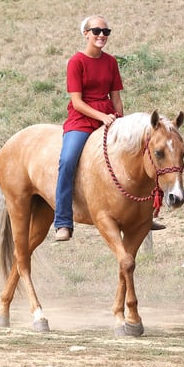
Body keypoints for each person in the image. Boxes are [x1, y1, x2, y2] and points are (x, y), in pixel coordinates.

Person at [53, 15, 124, 242]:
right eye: (96, 31)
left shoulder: (111, 62)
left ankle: (142, 213)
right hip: (82, 118)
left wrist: (120, 120)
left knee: (136, 152)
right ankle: (63, 221)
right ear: (86, 33)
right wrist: (102, 117)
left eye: (106, 31)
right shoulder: (76, 62)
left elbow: (116, 97)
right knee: (67, 160)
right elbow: (77, 102)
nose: (101, 35)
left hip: (108, 116)